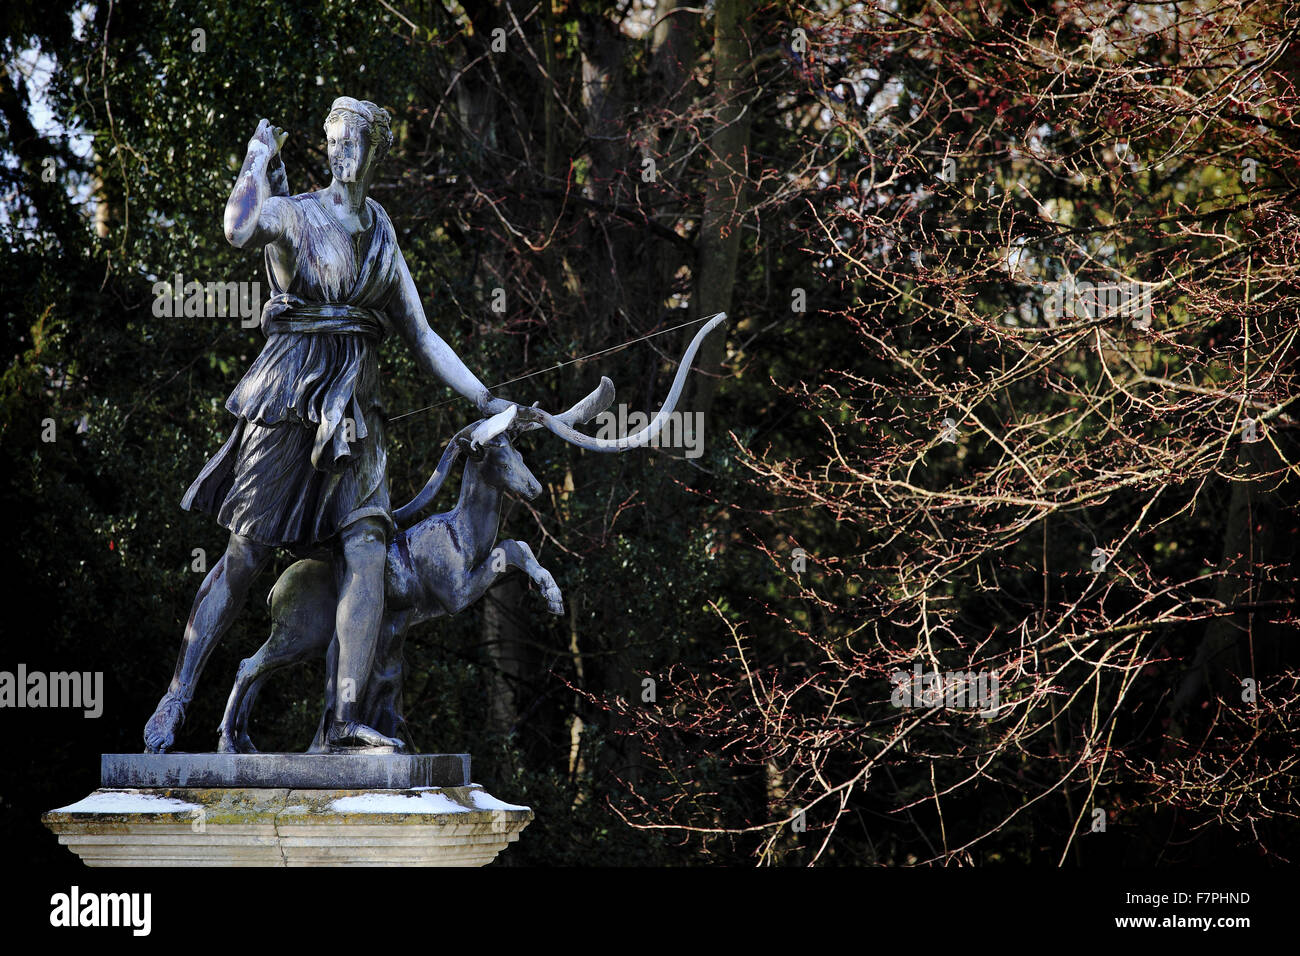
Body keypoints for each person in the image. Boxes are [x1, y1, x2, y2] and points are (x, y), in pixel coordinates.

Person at [143, 97, 513, 753]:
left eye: (353, 144)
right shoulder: (298, 214)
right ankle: (179, 693)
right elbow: (238, 228)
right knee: (247, 553)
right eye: (333, 142)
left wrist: (488, 399)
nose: (341, 154)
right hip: (288, 396)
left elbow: (422, 336)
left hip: (355, 415)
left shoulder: (382, 232)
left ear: (375, 152)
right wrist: (258, 157)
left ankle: (343, 721)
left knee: (367, 549)